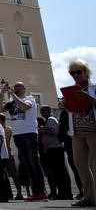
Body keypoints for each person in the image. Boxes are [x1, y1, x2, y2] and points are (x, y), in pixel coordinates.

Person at [0, 80, 48, 200]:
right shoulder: (11, 101)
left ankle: (41, 191)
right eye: (15, 87)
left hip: (29, 134)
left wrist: (12, 94)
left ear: (24, 89)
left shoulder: (29, 99)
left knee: (33, 162)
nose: (16, 88)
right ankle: (35, 193)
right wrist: (2, 94)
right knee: (26, 164)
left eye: (19, 87)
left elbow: (24, 107)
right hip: (18, 135)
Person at [62, 58, 96, 207]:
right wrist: (64, 103)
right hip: (76, 131)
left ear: (86, 72)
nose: (75, 75)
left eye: (78, 72)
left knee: (94, 163)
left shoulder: (94, 88)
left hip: (93, 129)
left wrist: (90, 99)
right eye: (72, 73)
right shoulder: (72, 90)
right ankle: (89, 197)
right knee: (80, 164)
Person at [40, 105, 73, 200]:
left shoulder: (50, 119)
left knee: (59, 172)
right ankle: (63, 192)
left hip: (55, 148)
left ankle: (64, 193)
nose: (42, 112)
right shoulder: (50, 120)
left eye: (44, 110)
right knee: (57, 172)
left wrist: (43, 130)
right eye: (41, 110)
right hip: (52, 148)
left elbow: (54, 132)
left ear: (49, 110)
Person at [58, 100, 85, 199]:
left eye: (62, 103)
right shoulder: (64, 113)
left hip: (74, 141)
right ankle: (82, 191)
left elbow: (63, 128)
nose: (60, 106)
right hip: (68, 144)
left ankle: (85, 191)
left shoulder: (72, 112)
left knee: (80, 167)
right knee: (75, 168)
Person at [0, 112, 23, 200]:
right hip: (9, 153)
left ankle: (11, 193)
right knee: (14, 175)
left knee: (6, 175)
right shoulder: (9, 129)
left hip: (3, 154)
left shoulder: (0, 129)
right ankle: (18, 193)